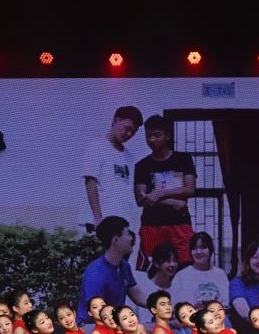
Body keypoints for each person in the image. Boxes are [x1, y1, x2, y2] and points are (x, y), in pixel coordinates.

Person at [134, 115, 197, 268]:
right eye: (148, 136)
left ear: (167, 136)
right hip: (151, 225)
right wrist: (171, 201)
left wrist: (159, 194)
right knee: (152, 268)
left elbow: (189, 189)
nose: (152, 140)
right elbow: (141, 199)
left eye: (157, 135)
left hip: (179, 223)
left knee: (185, 267)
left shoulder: (183, 159)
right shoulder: (142, 165)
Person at [76, 216, 150, 324]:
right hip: (91, 327)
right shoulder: (95, 272)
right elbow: (98, 312)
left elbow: (138, 296)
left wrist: (159, 307)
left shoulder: (124, 266)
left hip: (113, 324)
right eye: (128, 234)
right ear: (115, 240)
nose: (132, 238)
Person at [82, 105, 142, 232]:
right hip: (101, 222)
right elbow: (90, 182)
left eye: (133, 132)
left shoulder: (129, 156)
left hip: (122, 223)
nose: (129, 134)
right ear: (116, 121)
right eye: (127, 128)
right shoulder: (97, 147)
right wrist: (98, 218)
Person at [168, 231, 231, 310]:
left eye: (202, 247)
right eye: (194, 248)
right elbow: (174, 305)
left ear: (210, 250)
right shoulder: (181, 276)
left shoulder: (220, 274)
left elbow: (226, 302)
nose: (198, 252)